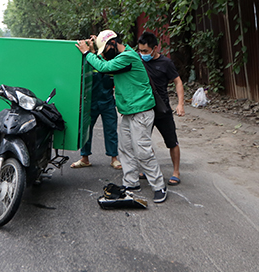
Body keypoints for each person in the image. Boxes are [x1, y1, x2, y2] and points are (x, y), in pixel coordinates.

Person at [75, 30, 167, 203]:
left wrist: (88, 53)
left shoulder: (128, 57)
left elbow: (104, 67)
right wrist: (96, 52)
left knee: (142, 150)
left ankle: (159, 185)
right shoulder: (120, 58)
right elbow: (105, 66)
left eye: (105, 49)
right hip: (127, 111)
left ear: (112, 43)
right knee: (125, 149)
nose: (105, 53)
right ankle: (131, 183)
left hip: (140, 110)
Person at [138, 31, 185, 186]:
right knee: (144, 142)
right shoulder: (138, 60)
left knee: (172, 141)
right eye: (140, 50)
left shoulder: (166, 63)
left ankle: (176, 172)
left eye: (145, 51)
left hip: (162, 109)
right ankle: (148, 168)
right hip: (145, 109)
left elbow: (178, 82)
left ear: (155, 48)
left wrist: (180, 104)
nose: (142, 54)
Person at [71, 70, 120, 169]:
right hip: (91, 102)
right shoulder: (90, 61)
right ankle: (85, 158)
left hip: (108, 102)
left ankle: (114, 158)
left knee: (111, 130)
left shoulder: (111, 62)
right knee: (87, 130)